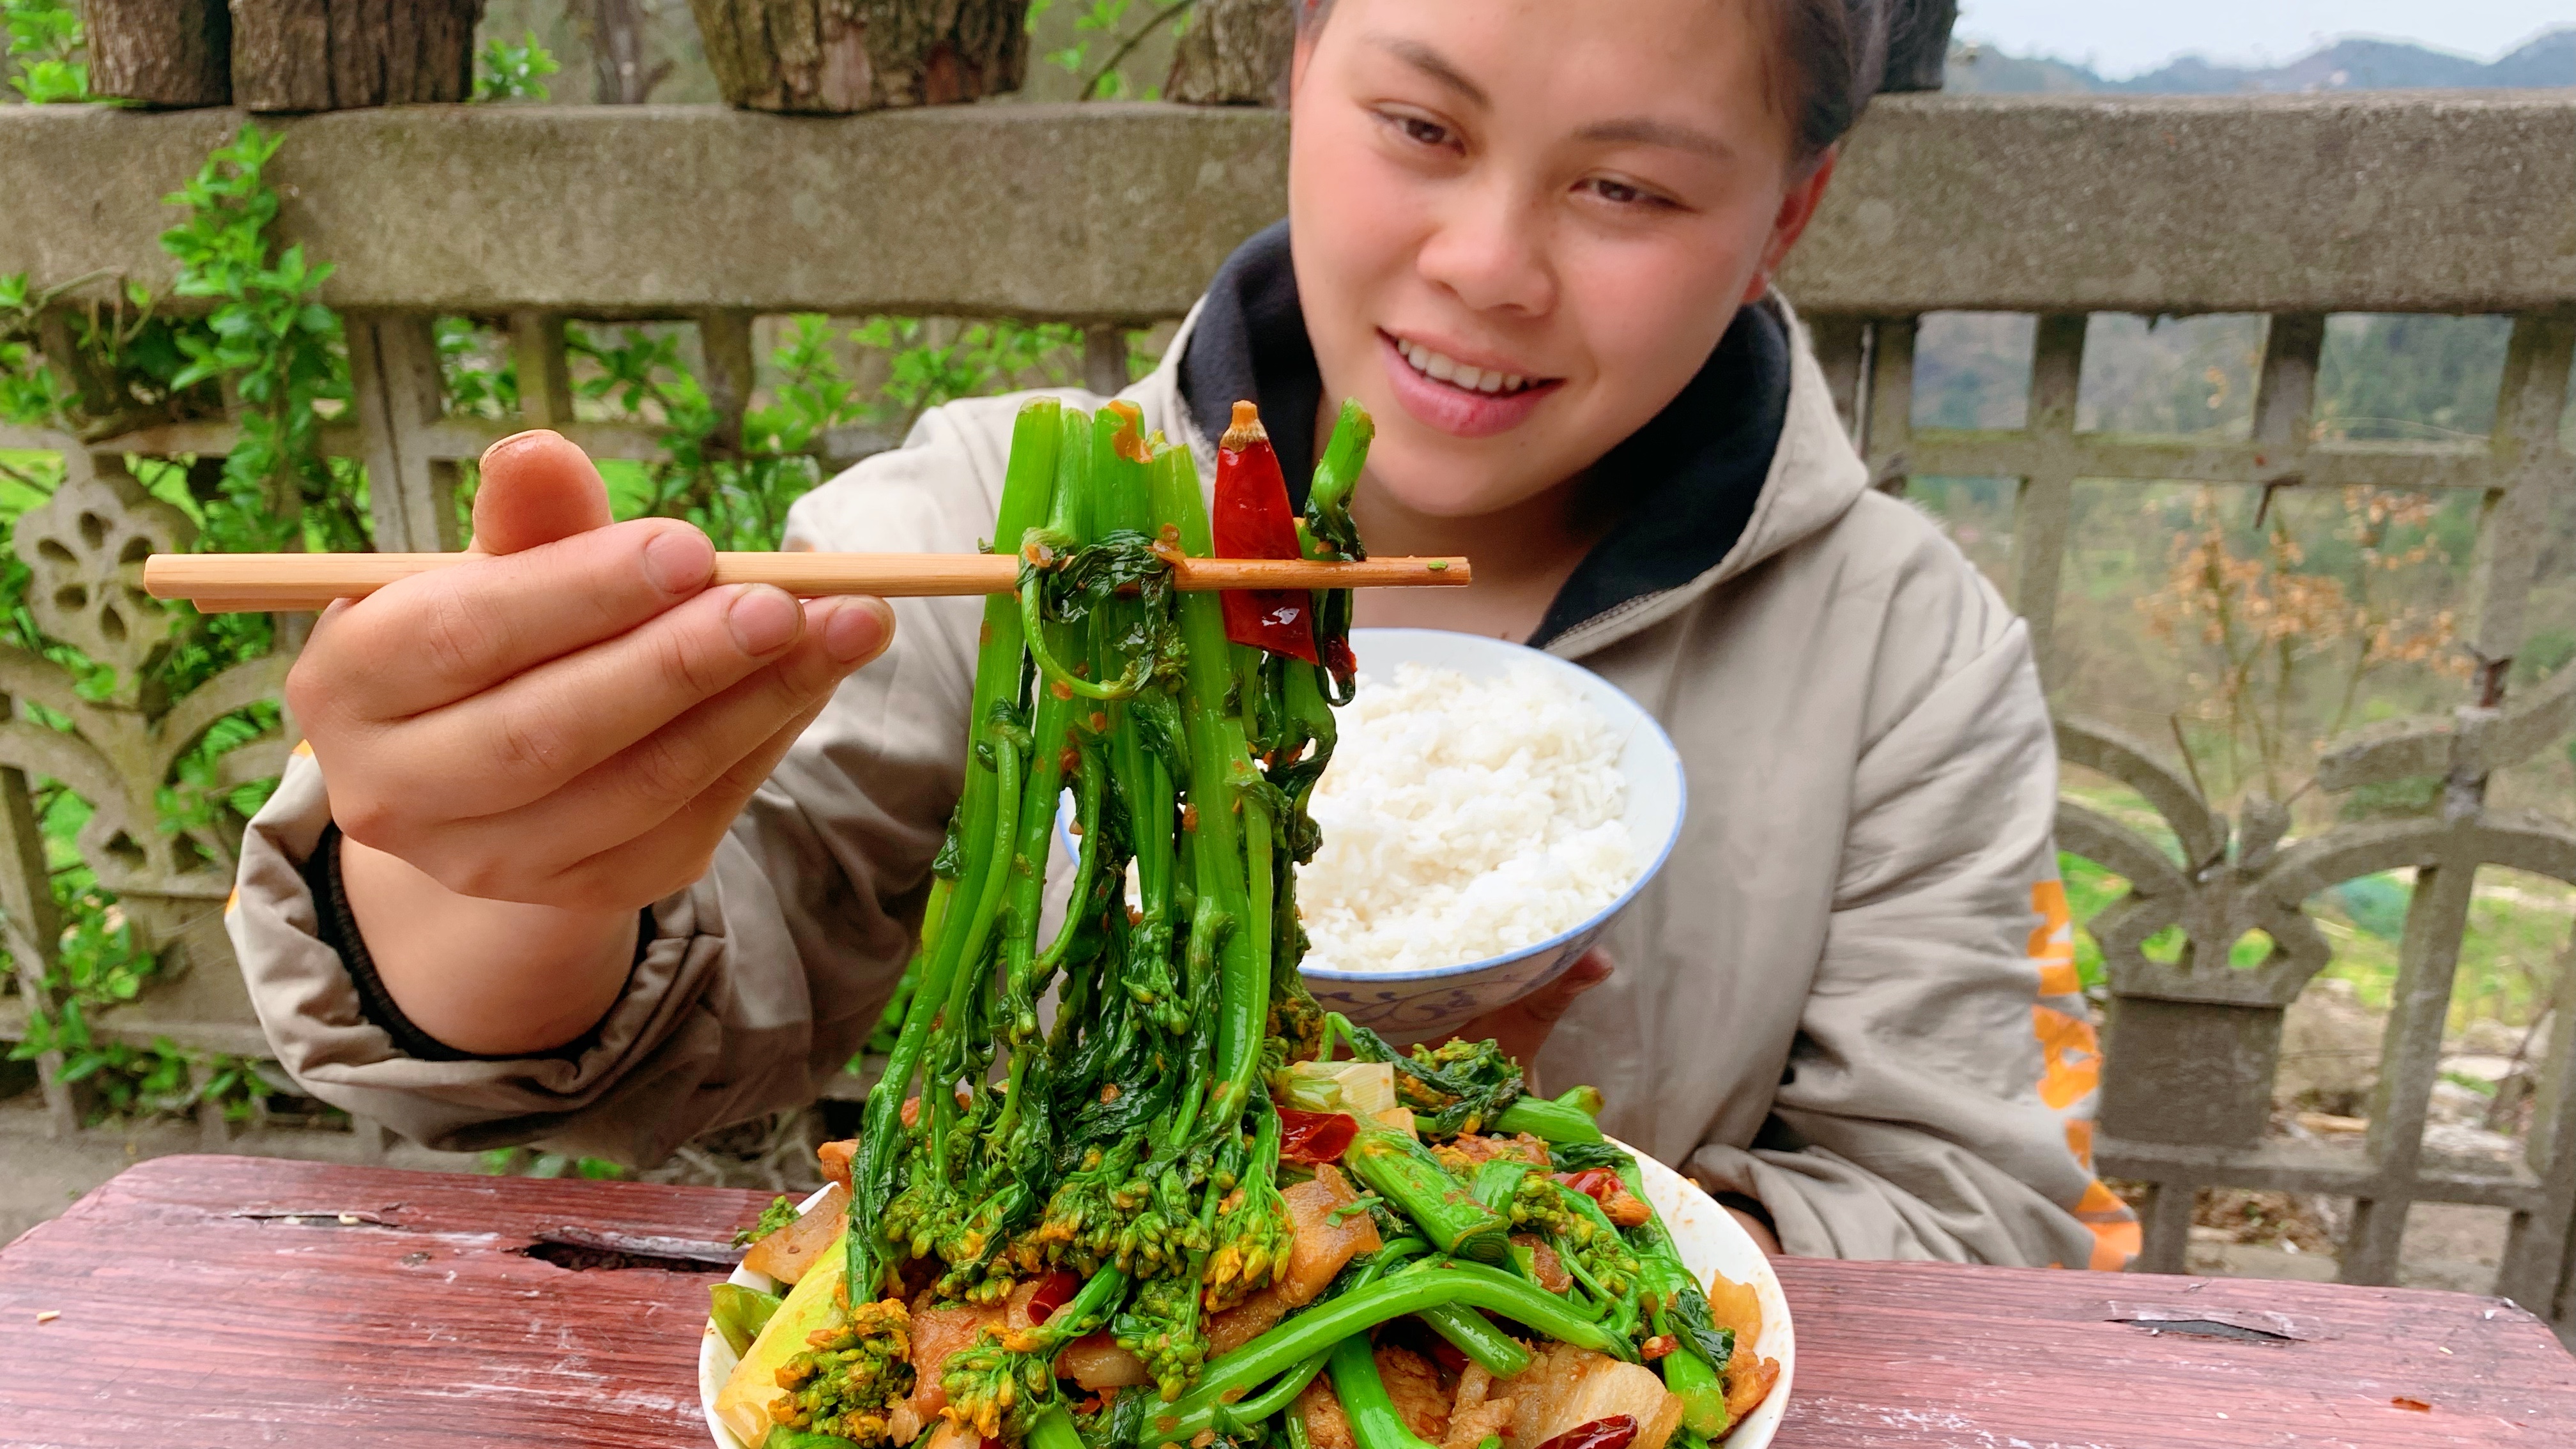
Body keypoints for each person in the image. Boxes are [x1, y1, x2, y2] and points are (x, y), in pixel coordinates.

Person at [228, 0, 2138, 1271]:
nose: (1488, 262)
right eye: (1418, 124)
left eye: (1627, 187)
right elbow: (677, 979)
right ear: (1296, 69)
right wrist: (507, 863)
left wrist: (1452, 1203)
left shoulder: (1909, 652)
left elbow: (1969, 1221)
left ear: (1790, 211)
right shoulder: (989, 521)